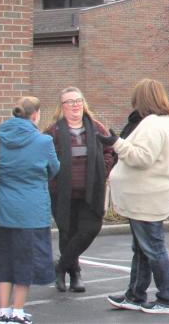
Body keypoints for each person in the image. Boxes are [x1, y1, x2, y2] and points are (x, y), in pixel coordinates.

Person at [104, 79, 169, 314]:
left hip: (148, 198)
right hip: (146, 197)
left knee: (153, 248)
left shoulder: (153, 124)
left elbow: (142, 158)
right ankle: (135, 295)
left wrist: (116, 143)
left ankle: (168, 299)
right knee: (143, 249)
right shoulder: (159, 122)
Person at [0, 97, 60, 324]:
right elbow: (54, 168)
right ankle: (18, 312)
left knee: (5, 261)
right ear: (35, 115)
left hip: (2, 212)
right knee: (26, 263)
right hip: (32, 212)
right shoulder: (43, 141)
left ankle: (2, 312)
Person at [43, 87, 114, 293]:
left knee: (90, 229)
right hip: (62, 193)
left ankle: (61, 267)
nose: (75, 105)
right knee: (67, 233)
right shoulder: (53, 131)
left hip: (91, 191)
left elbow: (110, 150)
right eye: (69, 102)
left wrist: (104, 168)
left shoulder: (97, 128)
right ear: (62, 107)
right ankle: (74, 274)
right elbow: (45, 157)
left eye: (78, 100)